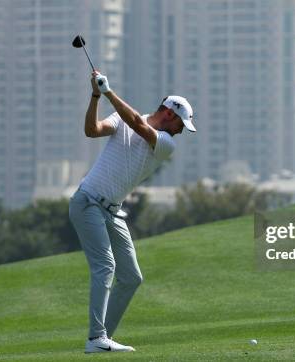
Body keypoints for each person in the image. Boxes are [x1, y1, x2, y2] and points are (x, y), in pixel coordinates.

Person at [69, 70, 196, 353]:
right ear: (169, 114)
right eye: (181, 124)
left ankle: (102, 338)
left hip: (113, 212)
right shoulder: (123, 119)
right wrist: (95, 96)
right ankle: (96, 339)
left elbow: (137, 123)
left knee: (131, 276)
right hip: (88, 201)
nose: (181, 131)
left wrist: (109, 92)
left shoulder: (165, 144)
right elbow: (92, 130)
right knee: (106, 266)